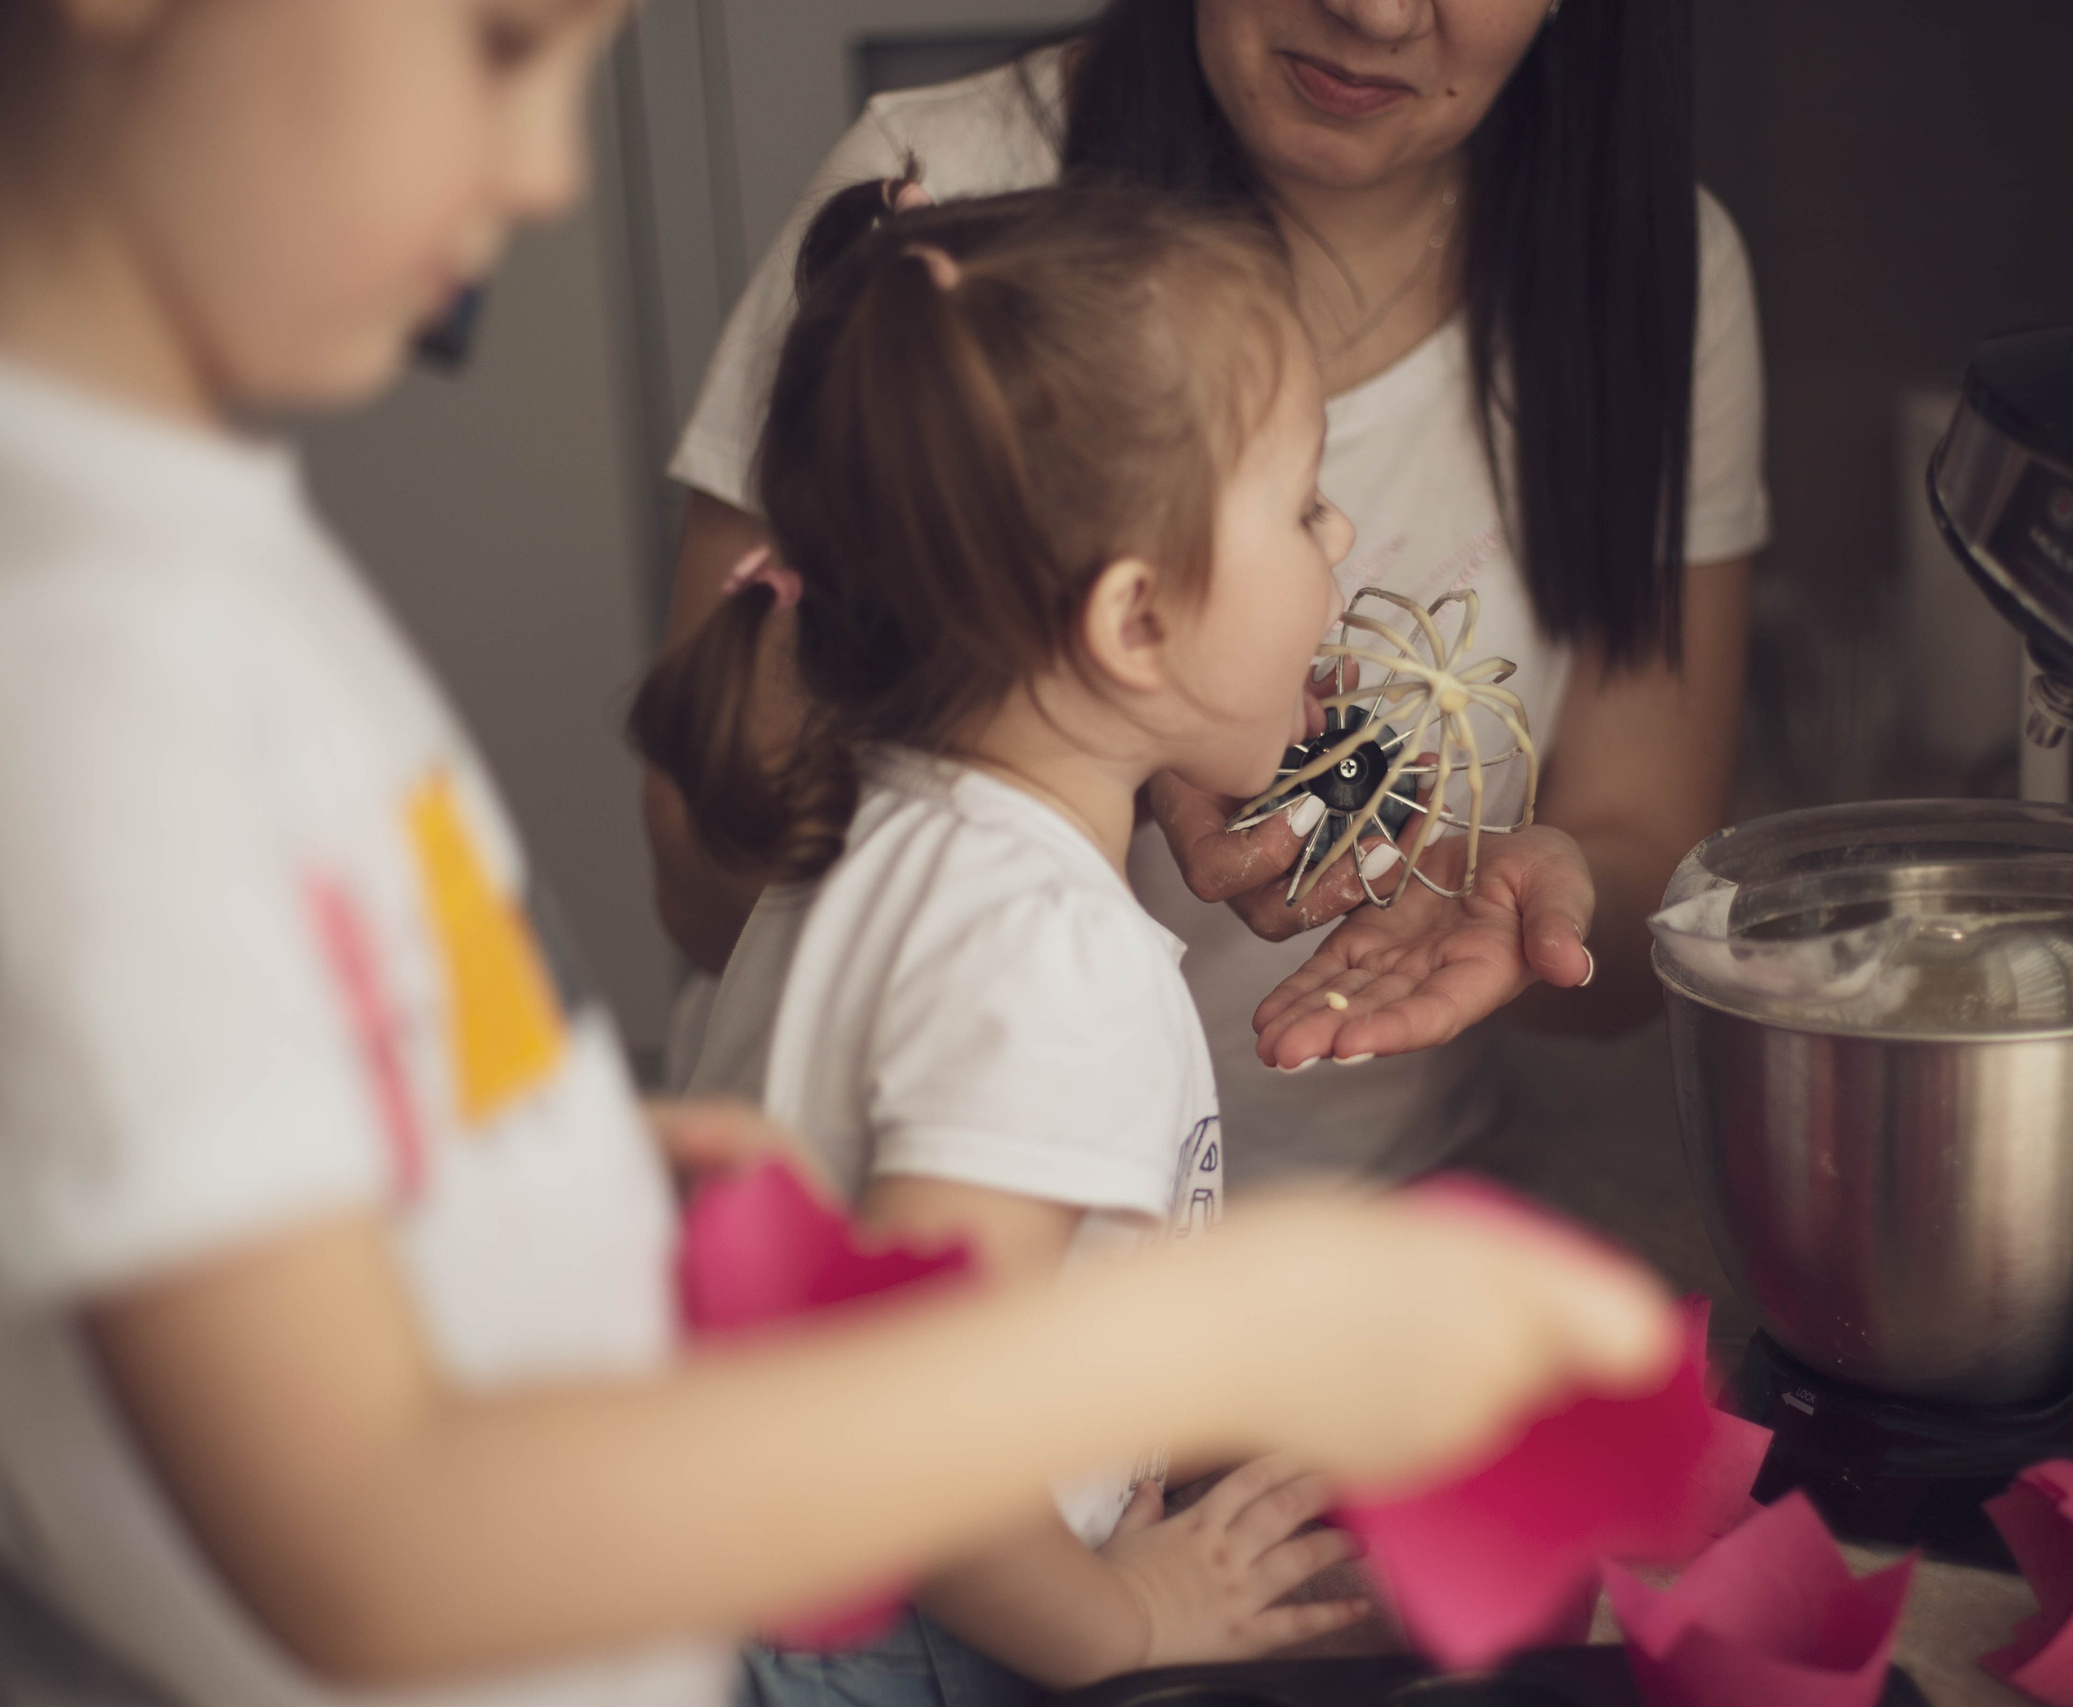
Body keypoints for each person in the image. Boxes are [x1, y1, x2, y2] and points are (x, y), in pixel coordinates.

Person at [0, 3, 1685, 1704]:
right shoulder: (96, 654)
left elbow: (284, 1094)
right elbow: (365, 1540)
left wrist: (561, 1184)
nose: (544, 171)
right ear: (1131, 616)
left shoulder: (199, 569)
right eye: (503, 47)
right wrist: (1232, 1331)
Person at [648, 0, 1767, 1192]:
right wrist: (1081, 728)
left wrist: (1518, 897)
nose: (1375, 10)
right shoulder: (946, 225)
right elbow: (705, 864)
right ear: (1129, 621)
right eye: (1298, 510)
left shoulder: (1656, 271)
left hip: (1299, 1231)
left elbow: (1646, 856)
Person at [633, 175, 1376, 1707]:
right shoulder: (1049, 958)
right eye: (1303, 501)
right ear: (1133, 626)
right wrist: (1126, 1613)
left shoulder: (867, 833)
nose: (1342, 533)